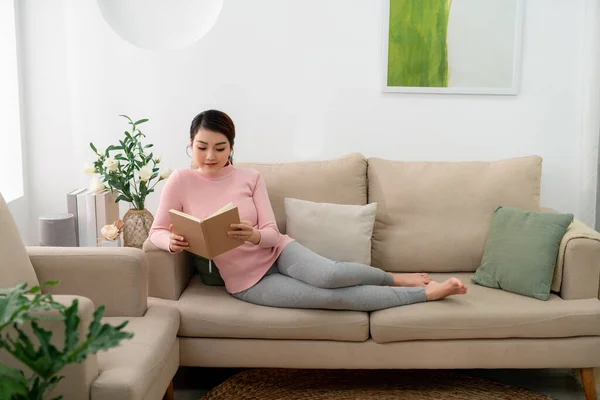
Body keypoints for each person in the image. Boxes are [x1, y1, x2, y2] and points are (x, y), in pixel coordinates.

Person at [148, 110, 467, 312]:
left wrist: (255, 234)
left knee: (331, 275)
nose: (210, 155)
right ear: (190, 144)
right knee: (333, 298)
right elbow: (157, 231)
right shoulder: (181, 181)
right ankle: (428, 295)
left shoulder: (250, 177)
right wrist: (171, 243)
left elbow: (272, 233)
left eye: (220, 148)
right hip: (248, 281)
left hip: (278, 252)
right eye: (202, 147)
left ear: (232, 147)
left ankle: (395, 278)